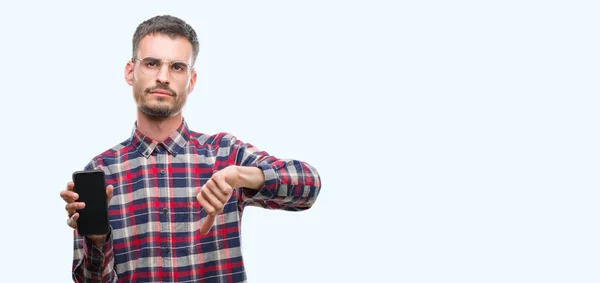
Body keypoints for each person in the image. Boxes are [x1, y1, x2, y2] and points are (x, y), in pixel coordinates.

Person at [59, 15, 321, 283]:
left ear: (191, 80)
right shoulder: (101, 172)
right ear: (130, 71)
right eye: (151, 64)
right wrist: (96, 239)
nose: (163, 77)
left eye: (176, 67)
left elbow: (309, 186)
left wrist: (241, 177)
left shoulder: (224, 154)